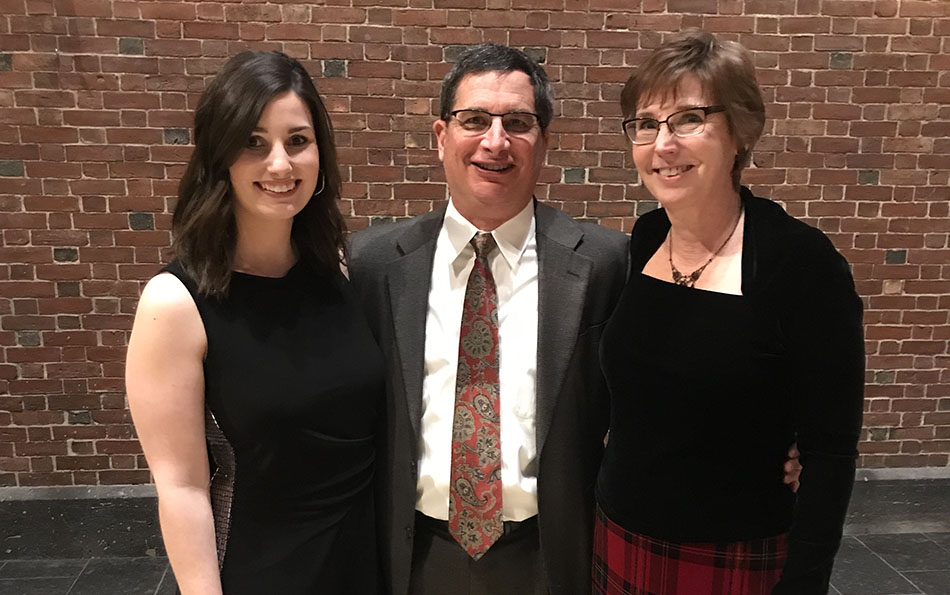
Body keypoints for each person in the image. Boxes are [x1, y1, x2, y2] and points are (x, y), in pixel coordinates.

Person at [348, 43, 629, 594]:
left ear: (544, 140)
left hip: (553, 556)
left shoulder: (604, 264)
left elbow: (658, 385)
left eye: (518, 122)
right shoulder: (372, 265)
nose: (495, 141)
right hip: (413, 555)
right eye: (474, 119)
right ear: (440, 136)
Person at [594, 30, 865, 594]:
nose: (662, 145)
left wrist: (804, 581)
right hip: (620, 535)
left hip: (736, 555)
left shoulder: (800, 264)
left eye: (688, 119)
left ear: (740, 131)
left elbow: (830, 454)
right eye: (646, 123)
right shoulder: (645, 238)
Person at [125, 51, 384, 594]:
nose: (280, 165)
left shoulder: (341, 272)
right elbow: (181, 488)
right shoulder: (175, 304)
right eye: (253, 142)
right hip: (260, 571)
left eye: (297, 140)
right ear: (219, 156)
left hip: (364, 562)